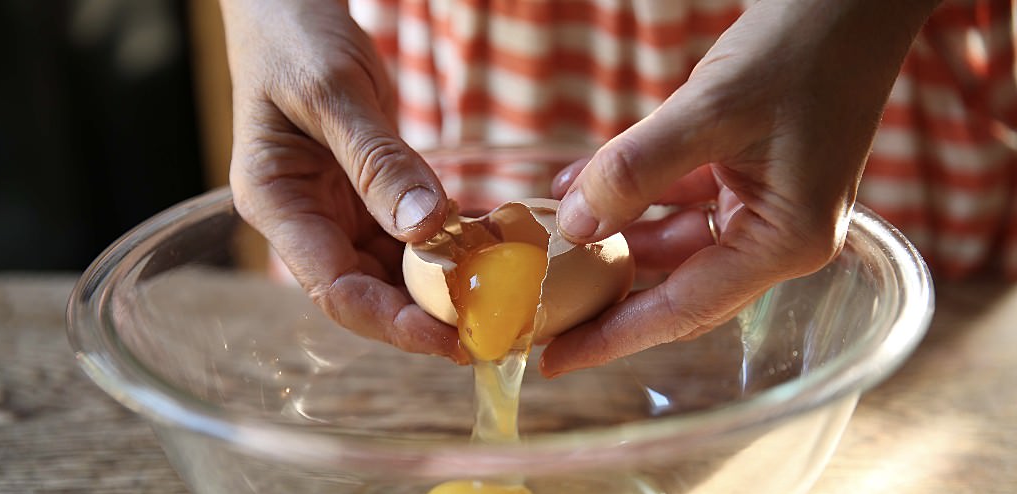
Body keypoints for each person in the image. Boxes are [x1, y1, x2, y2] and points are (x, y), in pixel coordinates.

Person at [217, 0, 1016, 376]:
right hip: (453, 60)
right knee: (391, 378)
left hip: (836, 75)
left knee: (848, 354)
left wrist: (853, 20)